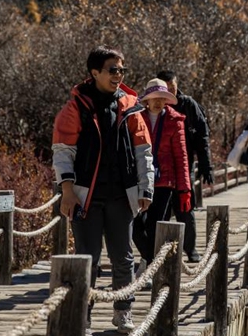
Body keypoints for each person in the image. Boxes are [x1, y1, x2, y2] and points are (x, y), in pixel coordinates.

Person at [52, 45, 154, 334]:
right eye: (112, 70)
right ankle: (81, 316)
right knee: (88, 258)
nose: (118, 75)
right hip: (86, 196)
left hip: (122, 195)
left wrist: (146, 189)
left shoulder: (132, 105)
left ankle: (123, 312)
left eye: (121, 69)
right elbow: (62, 151)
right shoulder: (76, 107)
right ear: (94, 72)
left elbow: (143, 151)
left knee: (123, 257)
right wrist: (67, 190)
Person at [132, 78, 191, 273]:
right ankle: (150, 261)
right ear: (146, 100)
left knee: (156, 225)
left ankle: (151, 267)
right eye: (154, 97)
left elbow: (181, 156)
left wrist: (184, 190)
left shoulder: (175, 121)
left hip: (164, 181)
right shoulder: (135, 118)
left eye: (162, 98)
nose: (158, 102)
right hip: (139, 178)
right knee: (135, 225)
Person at [156, 70, 213, 263]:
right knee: (160, 209)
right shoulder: (154, 104)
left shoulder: (188, 105)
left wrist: (206, 166)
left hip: (184, 163)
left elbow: (202, 137)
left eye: (172, 86)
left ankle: (190, 248)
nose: (170, 91)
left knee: (185, 206)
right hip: (160, 165)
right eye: (166, 88)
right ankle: (158, 251)